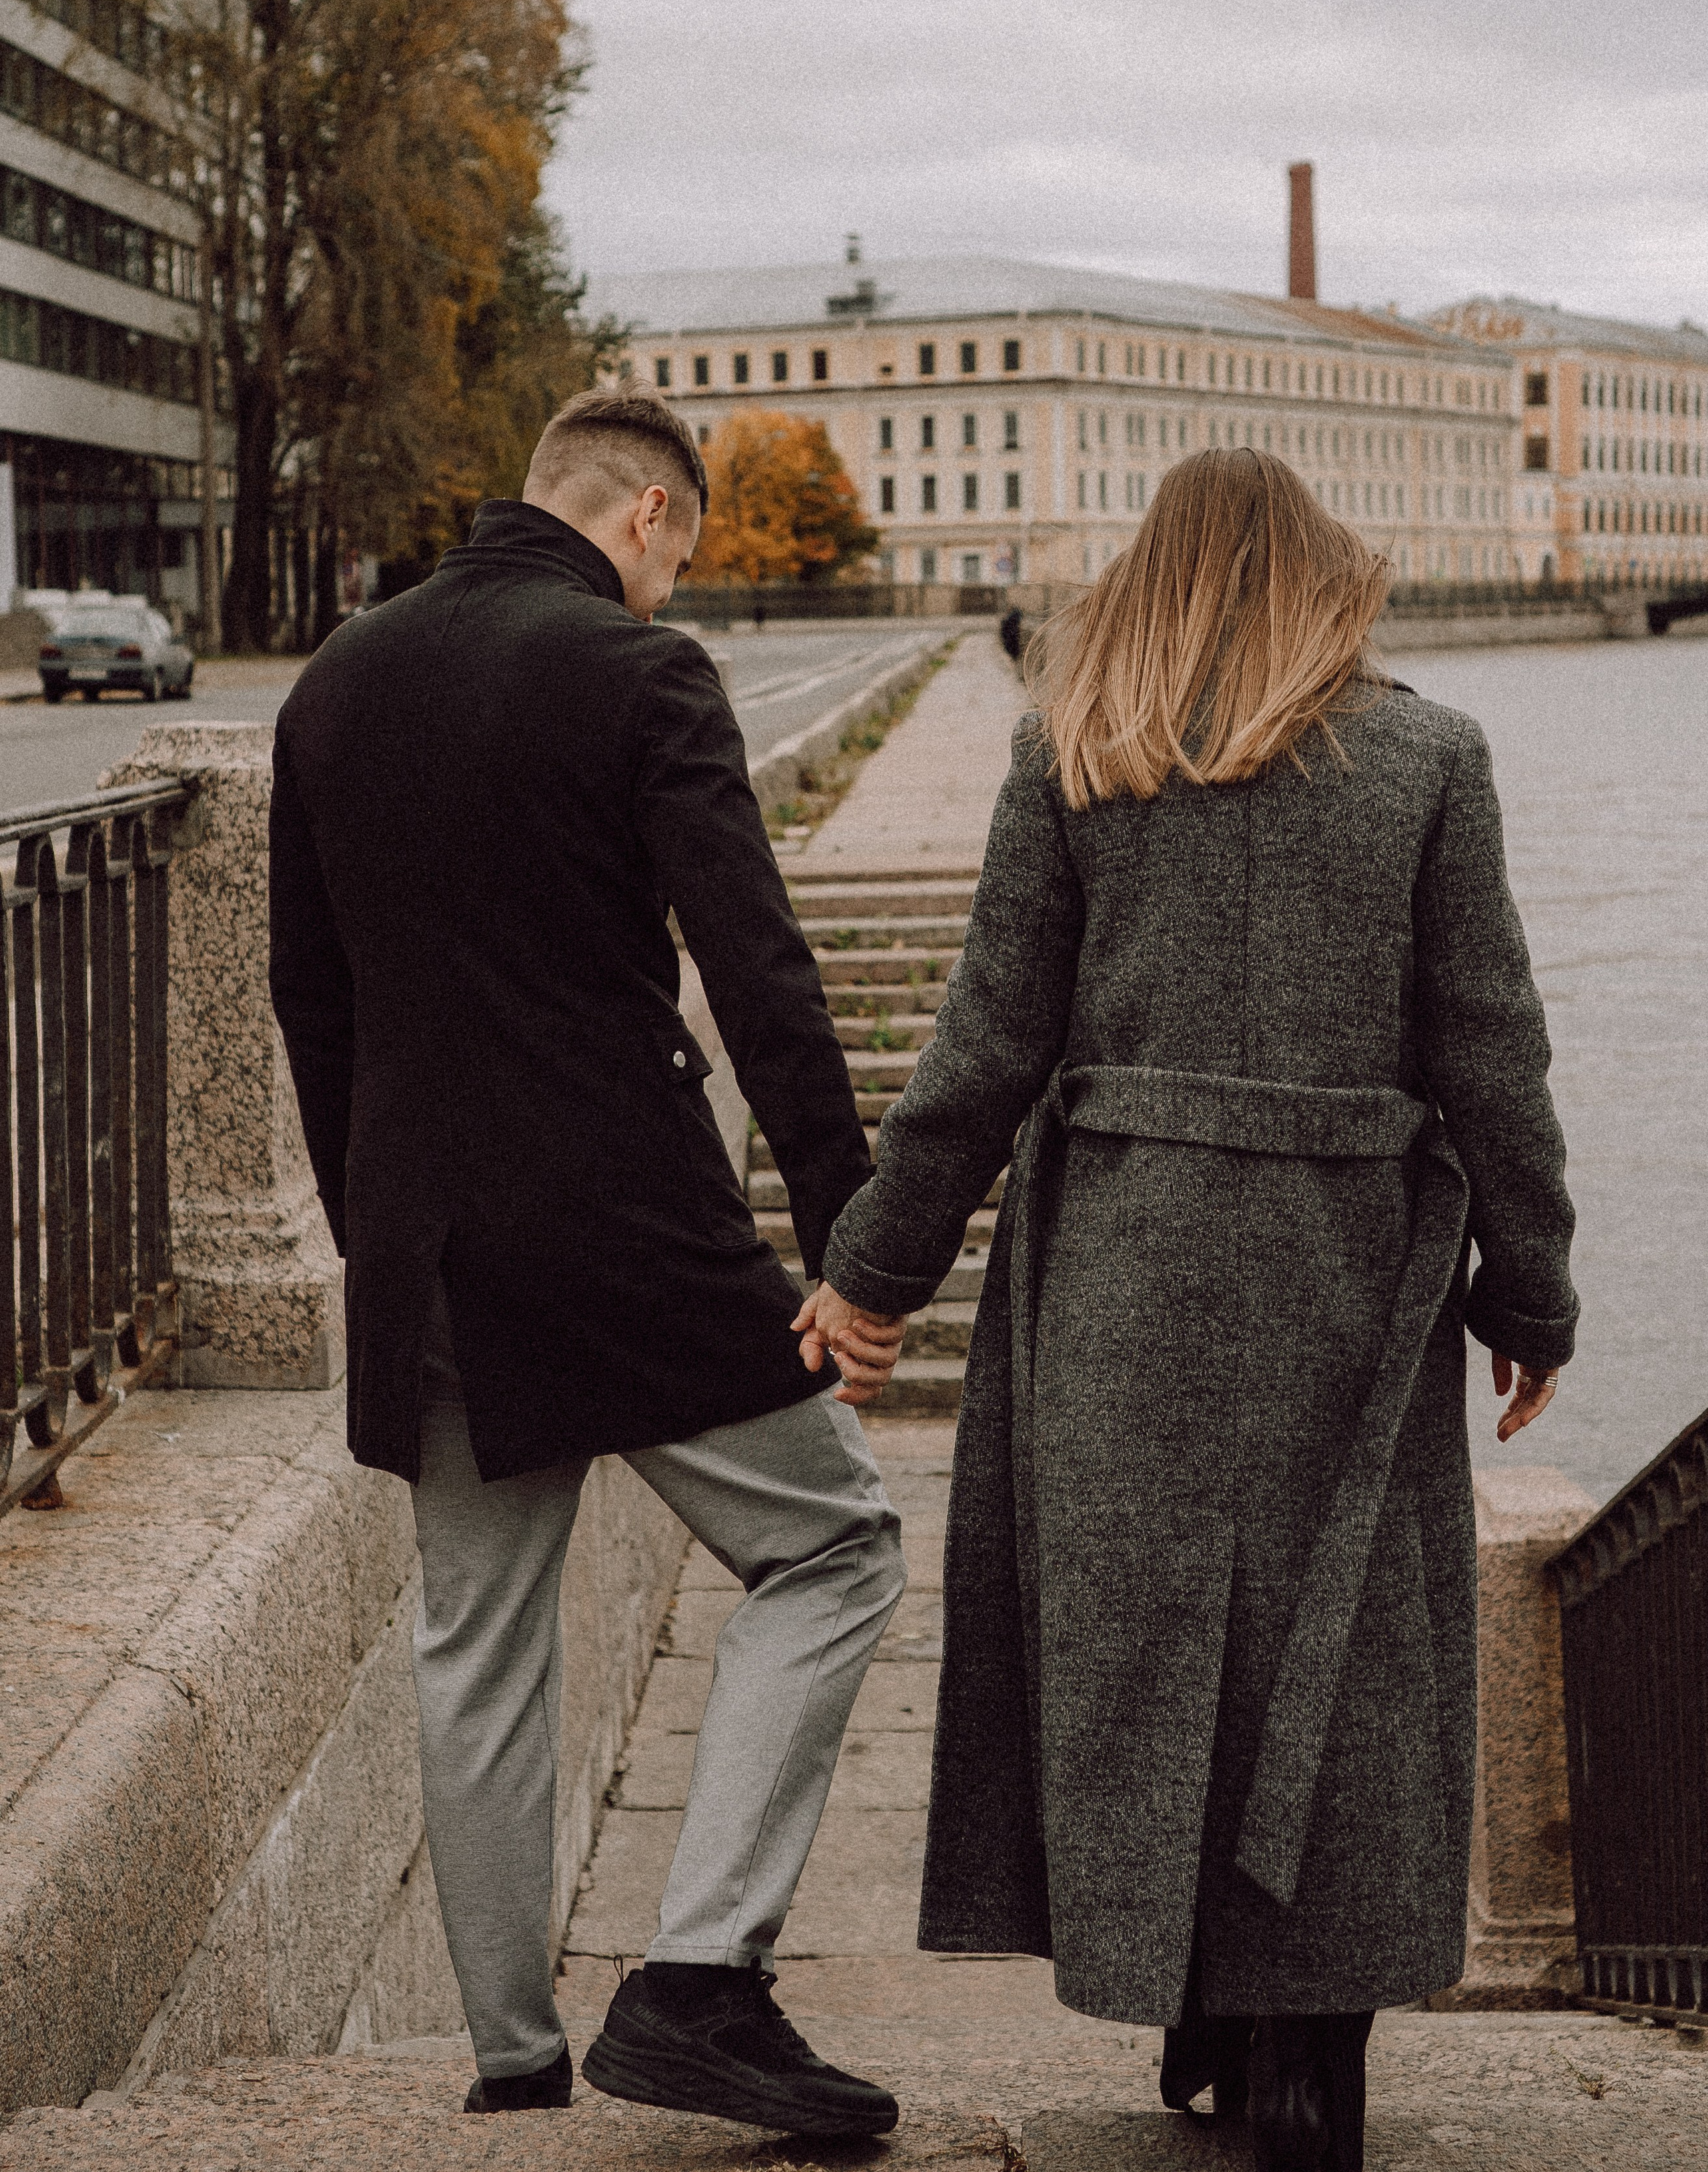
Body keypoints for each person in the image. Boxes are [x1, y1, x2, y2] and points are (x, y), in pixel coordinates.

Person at [804, 450, 1577, 2172]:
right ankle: (1309, 2049)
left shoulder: (1072, 756)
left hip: (1126, 1288)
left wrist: (871, 1275)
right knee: (1341, 1651)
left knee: (1158, 1655)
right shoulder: (1428, 762)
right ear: (1328, 572)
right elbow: (1492, 1054)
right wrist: (1534, 1289)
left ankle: (1201, 2009)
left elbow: (982, 1053)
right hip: (1341, 1278)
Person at [268, 388, 909, 2135]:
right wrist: (859, 1243)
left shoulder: (335, 685)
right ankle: (702, 1977)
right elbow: (761, 973)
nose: (671, 591)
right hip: (624, 1227)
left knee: (476, 1639)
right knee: (839, 1547)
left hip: (431, 1247)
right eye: (678, 559)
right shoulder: (641, 680)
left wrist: (372, 1228)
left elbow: (311, 1005)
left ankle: (512, 2063)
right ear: (641, 521)